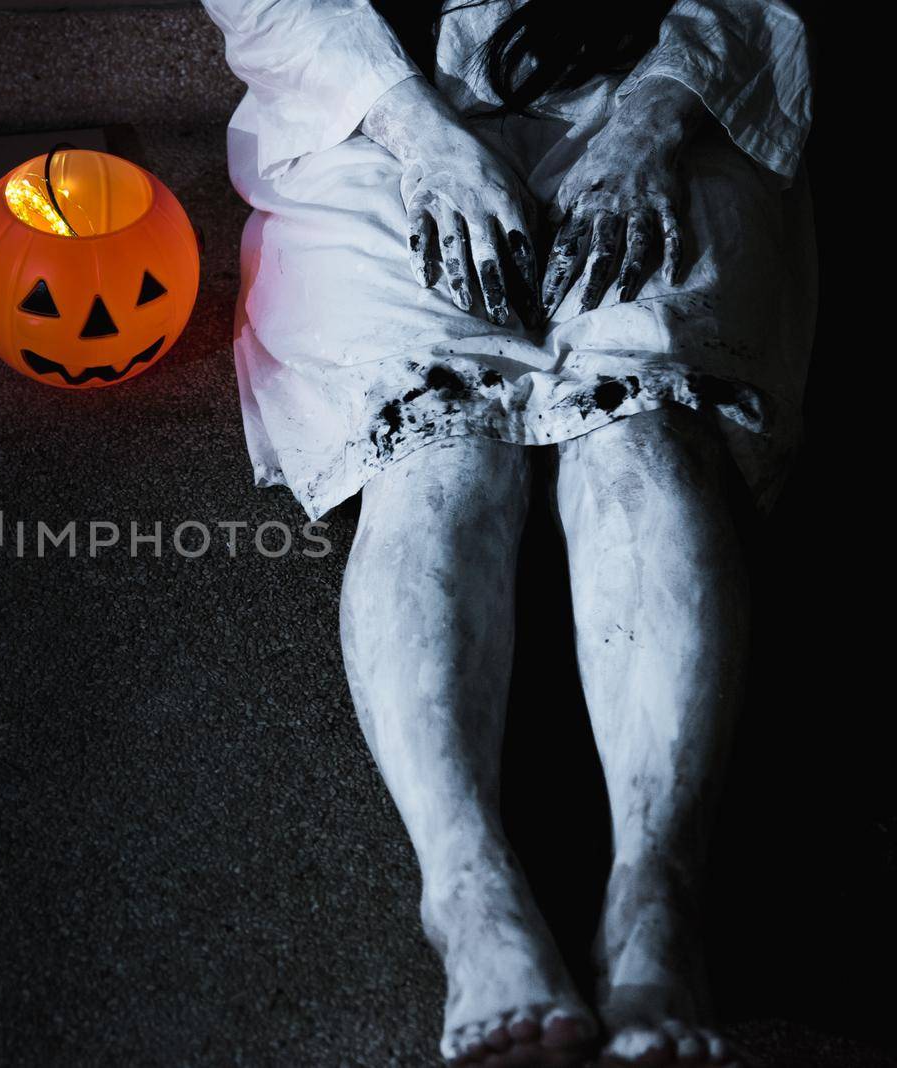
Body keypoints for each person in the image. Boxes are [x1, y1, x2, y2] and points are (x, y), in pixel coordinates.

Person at [200, 1, 814, 1065]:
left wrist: (650, 122)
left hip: (656, 78)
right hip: (373, 99)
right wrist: (420, 135)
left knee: (646, 426)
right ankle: (468, 895)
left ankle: (655, 899)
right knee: (430, 439)